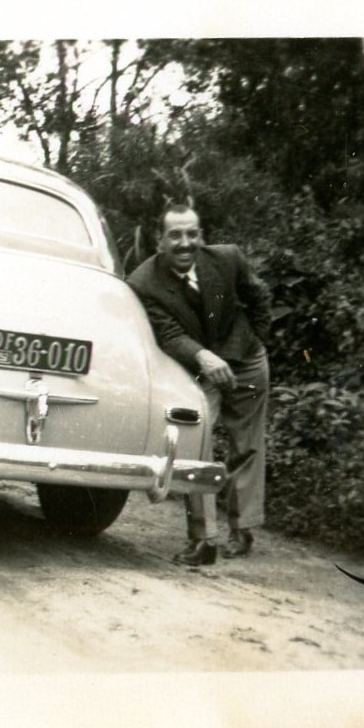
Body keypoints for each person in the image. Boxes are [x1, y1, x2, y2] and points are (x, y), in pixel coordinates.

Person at [128, 204, 272, 566]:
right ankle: (204, 539)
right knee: (196, 444)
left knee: (248, 445)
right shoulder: (142, 283)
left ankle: (243, 530)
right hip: (200, 369)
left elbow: (259, 297)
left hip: (247, 360)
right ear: (160, 241)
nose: (185, 242)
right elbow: (168, 334)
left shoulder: (227, 258)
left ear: (202, 236)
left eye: (192, 234)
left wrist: (254, 340)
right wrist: (203, 358)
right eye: (175, 235)